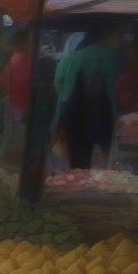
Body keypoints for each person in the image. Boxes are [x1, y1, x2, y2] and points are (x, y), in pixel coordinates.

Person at [54, 25, 121, 169]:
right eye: (117, 36)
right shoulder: (114, 57)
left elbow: (58, 85)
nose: (119, 41)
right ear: (105, 36)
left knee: (79, 163)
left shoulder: (71, 58)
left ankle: (79, 185)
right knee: (106, 162)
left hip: (75, 116)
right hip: (104, 117)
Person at [0, 27, 32, 163]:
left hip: (15, 101)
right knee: (13, 134)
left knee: (13, 134)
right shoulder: (19, 58)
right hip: (14, 102)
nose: (13, 45)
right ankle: (4, 159)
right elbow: (16, 81)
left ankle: (3, 159)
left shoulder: (23, 58)